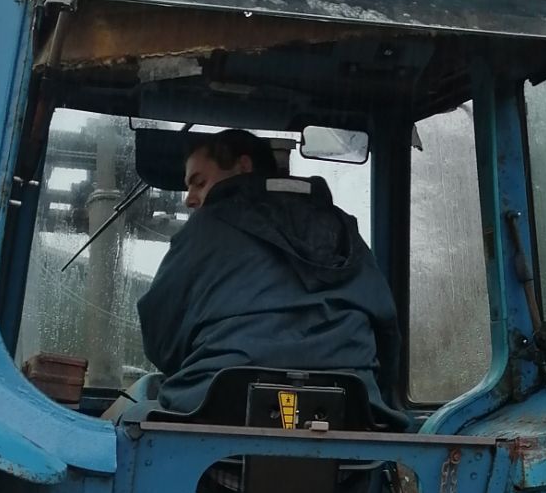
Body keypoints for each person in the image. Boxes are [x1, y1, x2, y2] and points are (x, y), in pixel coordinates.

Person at [137, 128, 402, 421]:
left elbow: (160, 338)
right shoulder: (345, 232)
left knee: (133, 413)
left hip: (217, 409)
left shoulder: (203, 232)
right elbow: (386, 330)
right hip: (351, 412)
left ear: (244, 167)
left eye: (199, 183)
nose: (189, 198)